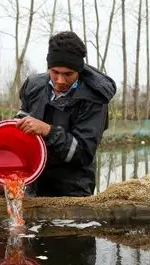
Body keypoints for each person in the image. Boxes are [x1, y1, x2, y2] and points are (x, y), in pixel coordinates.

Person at [15, 31, 117, 197]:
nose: (60, 80)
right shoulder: (33, 86)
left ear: (79, 70)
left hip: (73, 189)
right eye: (55, 72)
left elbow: (83, 153)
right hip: (34, 183)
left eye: (68, 74)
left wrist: (48, 130)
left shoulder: (94, 99)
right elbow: (20, 122)